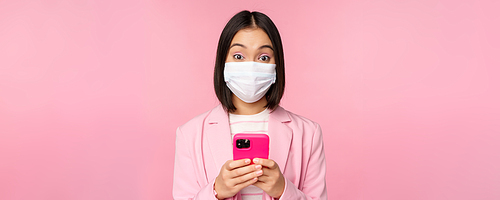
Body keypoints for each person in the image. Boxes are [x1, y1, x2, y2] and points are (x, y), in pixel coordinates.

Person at [173, 10, 327, 200]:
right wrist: (216, 191)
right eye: (238, 56)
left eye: (263, 58)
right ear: (223, 62)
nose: (251, 67)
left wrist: (284, 191)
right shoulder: (189, 134)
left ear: (277, 65)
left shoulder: (308, 133)